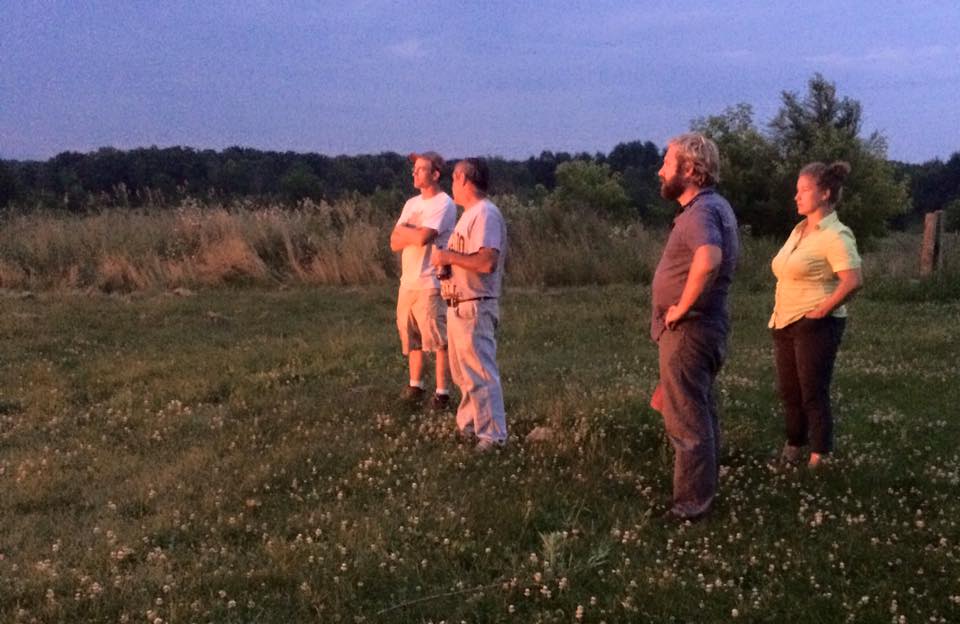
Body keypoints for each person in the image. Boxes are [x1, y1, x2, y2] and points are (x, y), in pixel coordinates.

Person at [651, 132, 739, 522]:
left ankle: (690, 507)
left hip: (690, 330)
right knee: (698, 411)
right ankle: (702, 495)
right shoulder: (713, 207)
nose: (660, 170)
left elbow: (709, 258)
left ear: (689, 169)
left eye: (667, 163)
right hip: (704, 327)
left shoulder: (701, 211)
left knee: (686, 419)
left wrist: (681, 308)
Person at [769, 161, 862, 468]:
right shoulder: (799, 231)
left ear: (824, 193)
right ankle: (794, 446)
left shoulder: (835, 234)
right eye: (797, 191)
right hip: (784, 320)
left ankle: (819, 456)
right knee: (790, 390)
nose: (796, 196)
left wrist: (820, 312)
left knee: (812, 391)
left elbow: (852, 280)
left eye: (804, 190)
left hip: (815, 325)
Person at [430, 158, 508, 452]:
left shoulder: (485, 214)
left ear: (464, 179)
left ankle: (493, 436)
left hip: (475, 304)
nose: (451, 184)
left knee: (480, 373)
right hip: (458, 304)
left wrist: (448, 258)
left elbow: (487, 261)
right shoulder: (468, 215)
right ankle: (469, 426)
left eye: (453, 179)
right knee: (463, 375)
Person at [390, 151, 457, 410]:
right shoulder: (411, 204)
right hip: (408, 281)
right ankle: (415, 385)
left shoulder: (444, 203)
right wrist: (412, 232)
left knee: (438, 340)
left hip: (431, 281)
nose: (414, 173)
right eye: (414, 169)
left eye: (420, 169)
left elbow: (422, 238)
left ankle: (442, 393)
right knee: (412, 337)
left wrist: (410, 232)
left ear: (435, 174)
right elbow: (394, 241)